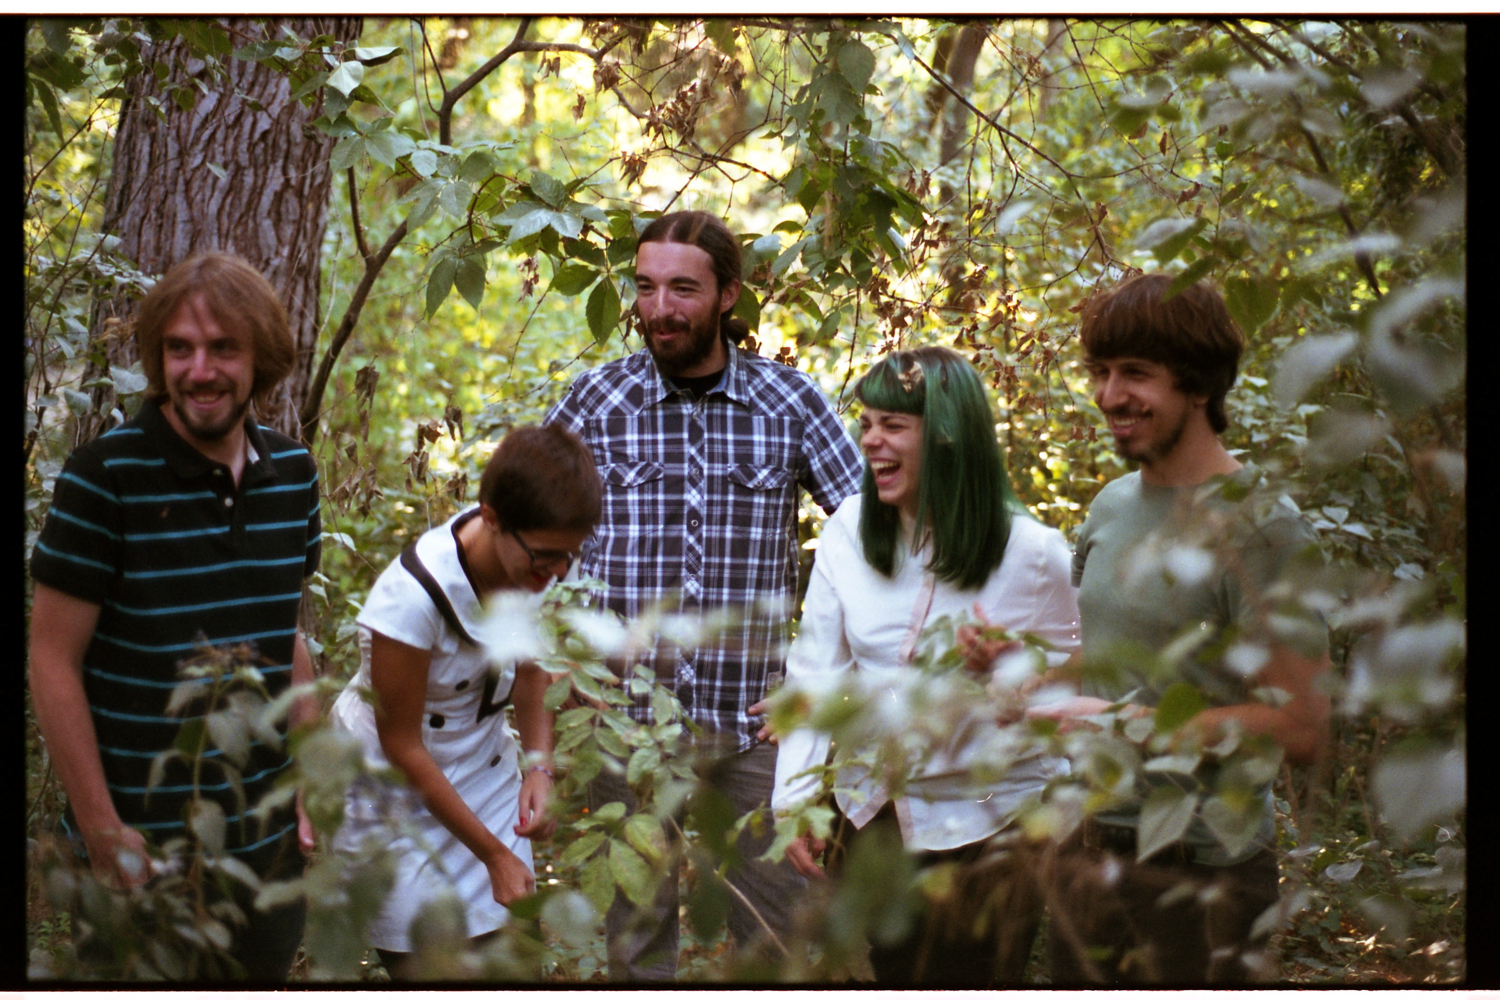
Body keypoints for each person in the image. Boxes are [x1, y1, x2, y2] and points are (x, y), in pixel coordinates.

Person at [544, 210, 865, 980]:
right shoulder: (593, 403)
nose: (661, 308)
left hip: (757, 734)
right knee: (634, 950)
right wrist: (567, 669)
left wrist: (829, 690)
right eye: (647, 287)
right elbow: (521, 539)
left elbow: (873, 546)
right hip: (626, 733)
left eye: (683, 288)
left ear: (727, 294)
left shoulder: (789, 404)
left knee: (779, 944)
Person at [28, 251, 321, 980]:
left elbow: (286, 638)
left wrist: (314, 784)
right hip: (144, 862)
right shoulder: (105, 478)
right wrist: (101, 831)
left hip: (267, 859)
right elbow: (51, 660)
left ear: (262, 358)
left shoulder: (294, 476)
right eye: (180, 349)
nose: (201, 370)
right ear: (159, 359)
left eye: (224, 347)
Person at [1033, 271, 1331, 984]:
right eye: (1100, 373)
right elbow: (1100, 657)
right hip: (1088, 856)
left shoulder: (1261, 527)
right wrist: (1014, 677)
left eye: (1135, 373)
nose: (1109, 396)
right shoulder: (1108, 506)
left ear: (1198, 385)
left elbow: (1302, 729)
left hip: (1202, 883)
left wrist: (1125, 726)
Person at [768, 346, 1081, 984]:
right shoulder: (849, 532)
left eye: (893, 425)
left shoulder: (1035, 554)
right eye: (867, 423)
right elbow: (816, 675)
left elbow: (1081, 683)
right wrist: (795, 798)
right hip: (874, 821)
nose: (871, 442)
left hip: (994, 829)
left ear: (945, 437)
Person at [328, 425, 600, 976]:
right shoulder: (410, 602)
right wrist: (494, 855)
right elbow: (402, 744)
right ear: (492, 516)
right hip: (394, 793)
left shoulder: (533, 568)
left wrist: (538, 767)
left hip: (481, 771)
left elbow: (530, 672)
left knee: (515, 965)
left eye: (568, 557)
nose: (556, 575)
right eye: (546, 557)